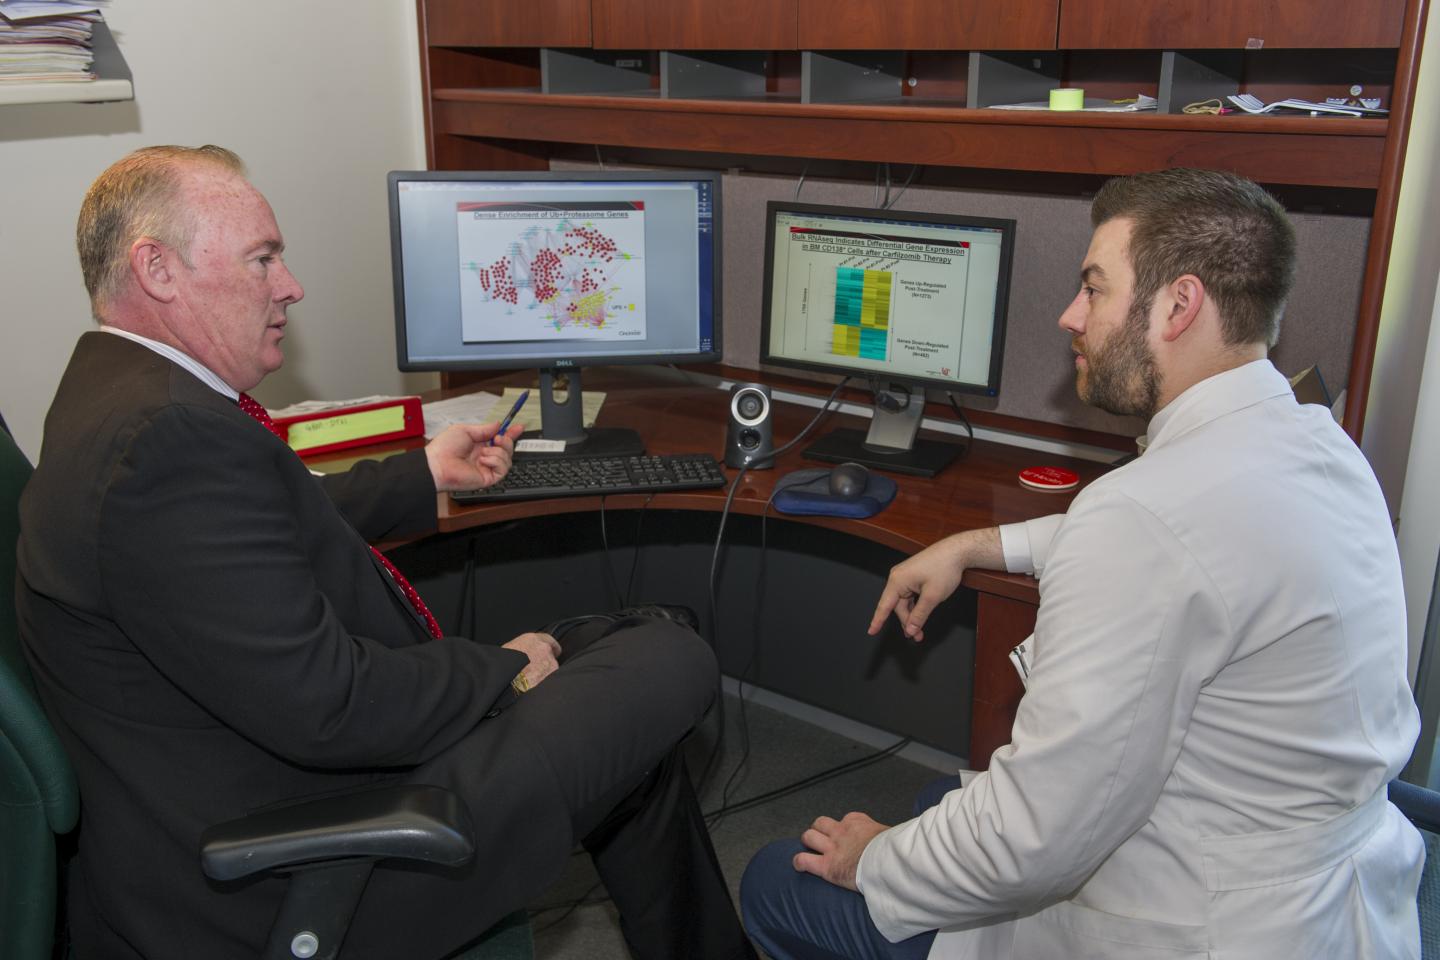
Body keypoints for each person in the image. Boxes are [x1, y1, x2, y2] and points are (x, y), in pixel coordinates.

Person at [17, 145, 755, 960]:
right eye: (262, 258)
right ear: (157, 269)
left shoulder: (116, 396)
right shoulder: (164, 439)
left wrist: (416, 475)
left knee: (620, 708)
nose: (290, 285)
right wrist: (499, 669)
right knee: (671, 654)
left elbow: (244, 539)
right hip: (299, 857)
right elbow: (330, 706)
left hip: (239, 793)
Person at [741, 167, 1422, 959]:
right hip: (1328, 898)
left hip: (1189, 923)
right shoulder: (1316, 443)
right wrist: (977, 544)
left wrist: (873, 861)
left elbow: (1029, 841)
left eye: (1094, 288)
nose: (1070, 315)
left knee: (774, 879)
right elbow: (1193, 551)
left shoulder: (1143, 519)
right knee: (935, 796)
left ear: (1179, 305)